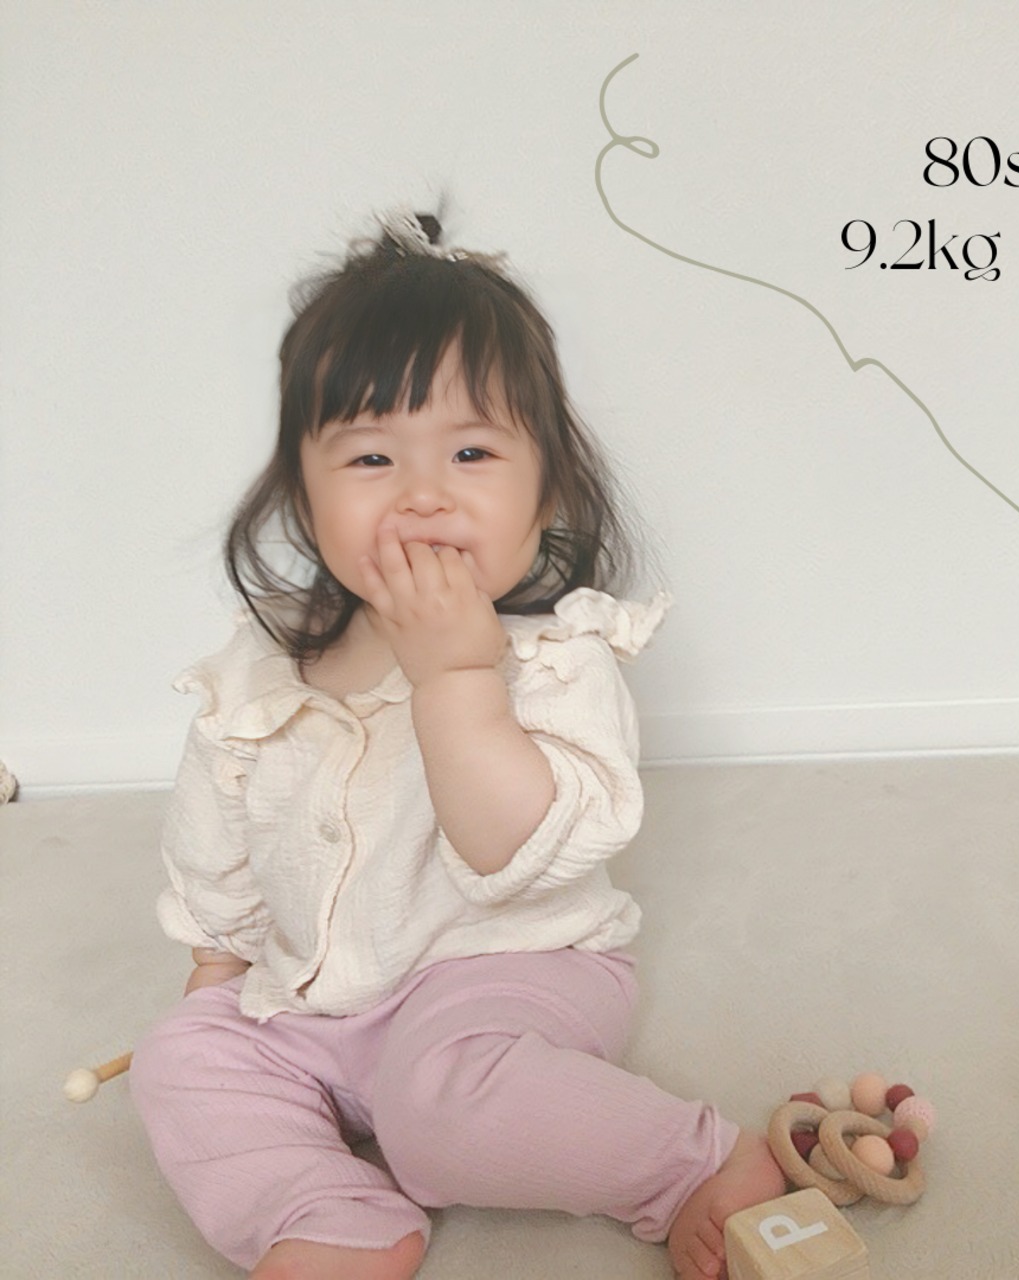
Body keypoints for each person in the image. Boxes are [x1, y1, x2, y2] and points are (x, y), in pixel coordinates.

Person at [130, 210, 785, 1280]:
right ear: (304, 496)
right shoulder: (265, 669)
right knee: (180, 1055)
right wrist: (220, 966)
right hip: (312, 993)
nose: (423, 494)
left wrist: (455, 678)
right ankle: (325, 1212)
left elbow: (513, 849)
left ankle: (691, 1162)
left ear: (546, 489)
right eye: (370, 456)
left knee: (441, 1109)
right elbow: (215, 843)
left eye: (472, 452)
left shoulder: (553, 658)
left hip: (507, 974)